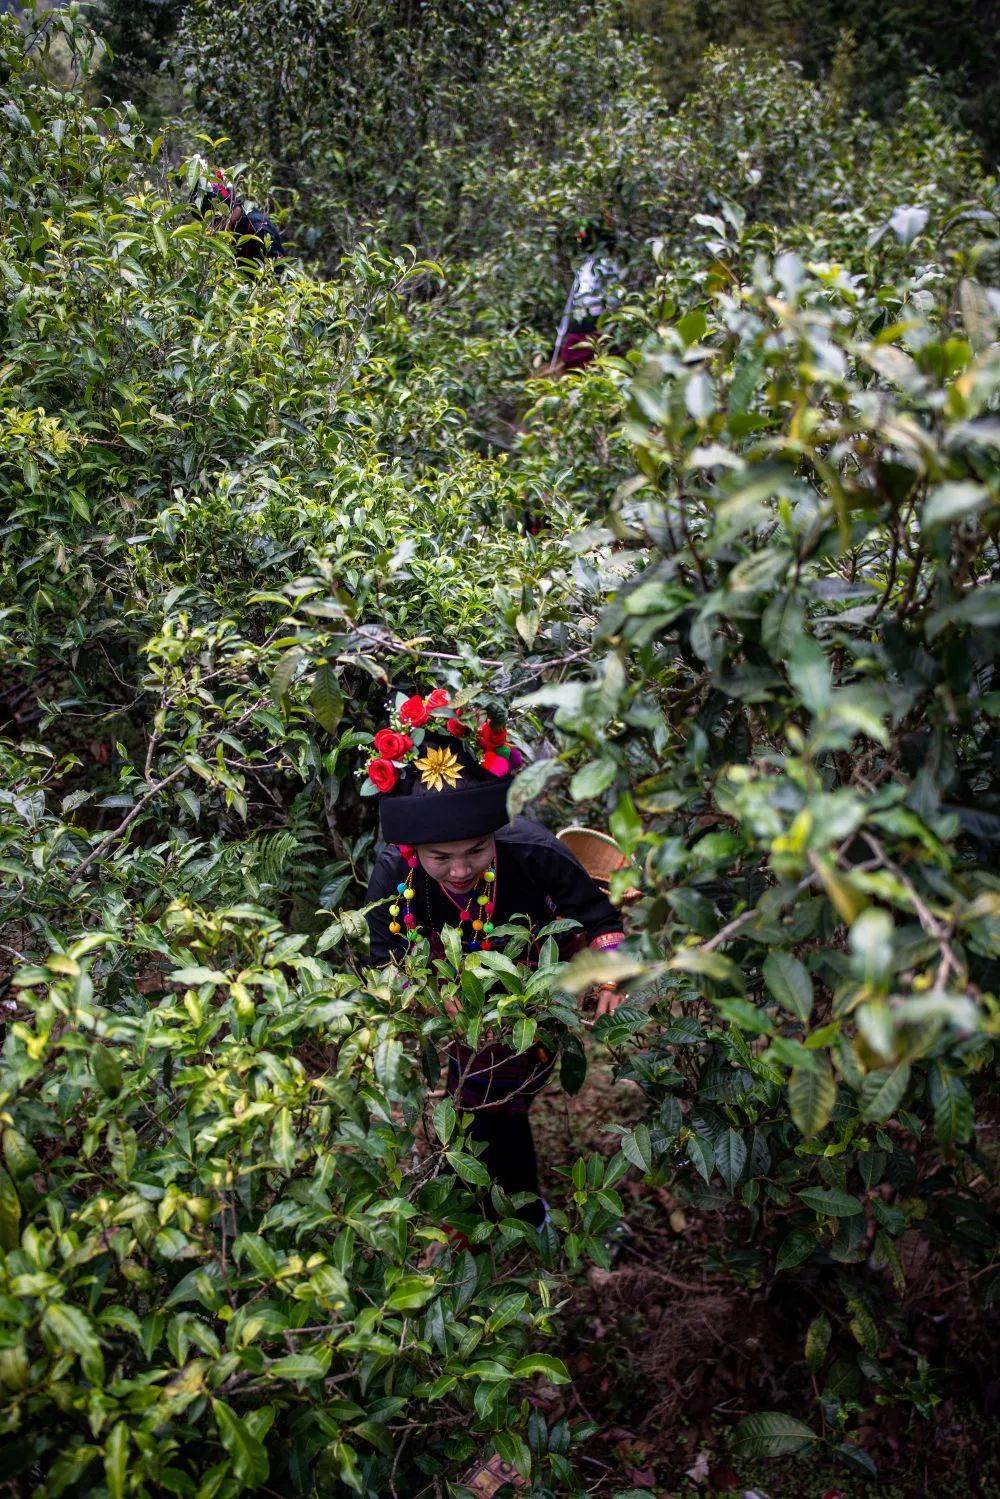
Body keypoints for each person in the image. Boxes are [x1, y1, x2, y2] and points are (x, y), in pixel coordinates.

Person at [362, 687, 629, 1228]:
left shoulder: (533, 852)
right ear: (415, 851)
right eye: (441, 858)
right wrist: (421, 1009)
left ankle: (506, 1220)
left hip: (527, 1000)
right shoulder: (394, 877)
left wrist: (610, 975)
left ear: (495, 835)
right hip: (446, 1006)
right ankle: (506, 1218)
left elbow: (601, 921)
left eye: (475, 852)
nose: (460, 871)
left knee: (489, 1111)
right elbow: (385, 960)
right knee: (472, 1113)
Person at [553, 218, 625, 370]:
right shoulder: (591, 264)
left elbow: (611, 300)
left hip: (596, 324)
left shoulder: (603, 265)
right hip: (587, 324)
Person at [199, 172, 285, 266]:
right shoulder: (232, 227)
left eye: (215, 221)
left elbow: (277, 268)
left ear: (225, 210)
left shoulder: (258, 227)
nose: (214, 227)